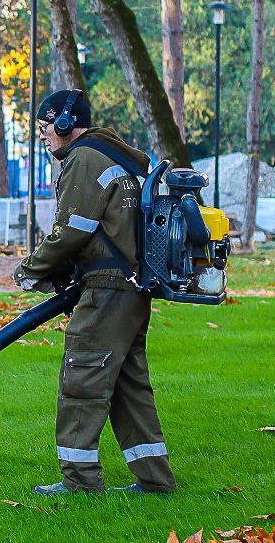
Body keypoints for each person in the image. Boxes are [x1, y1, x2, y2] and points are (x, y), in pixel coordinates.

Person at [13, 89, 178, 497]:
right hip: (132, 290)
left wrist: (29, 270)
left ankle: (80, 481)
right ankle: (155, 482)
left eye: (45, 126)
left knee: (82, 381)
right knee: (128, 385)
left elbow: (73, 230)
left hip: (107, 291)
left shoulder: (84, 158)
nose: (44, 136)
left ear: (66, 122)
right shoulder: (123, 156)